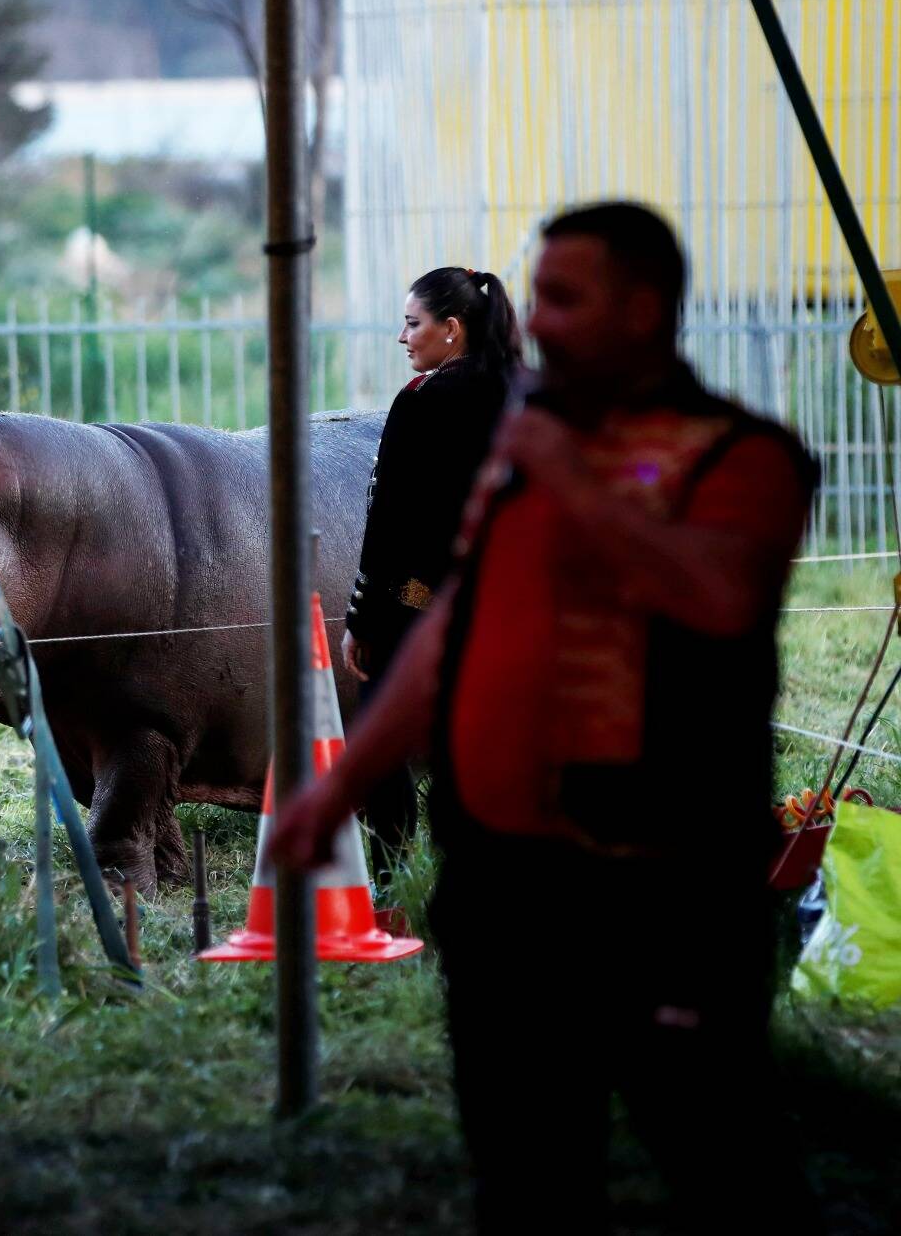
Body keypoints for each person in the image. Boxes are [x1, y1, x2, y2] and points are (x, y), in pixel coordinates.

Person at [271, 203, 817, 1232]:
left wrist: (573, 483)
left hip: (666, 884)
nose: (540, 322)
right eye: (539, 298)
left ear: (643, 308)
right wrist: (337, 787)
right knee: (523, 1169)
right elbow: (455, 625)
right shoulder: (524, 446)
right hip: (505, 882)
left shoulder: (740, 454)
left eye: (566, 299)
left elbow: (719, 596)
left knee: (717, 1155)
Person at [343, 266, 520, 882]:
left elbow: (390, 519)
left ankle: (395, 885)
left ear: (451, 328)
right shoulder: (527, 395)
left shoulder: (424, 401)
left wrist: (363, 617)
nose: (402, 337)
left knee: (381, 743)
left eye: (411, 324)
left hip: (419, 613)